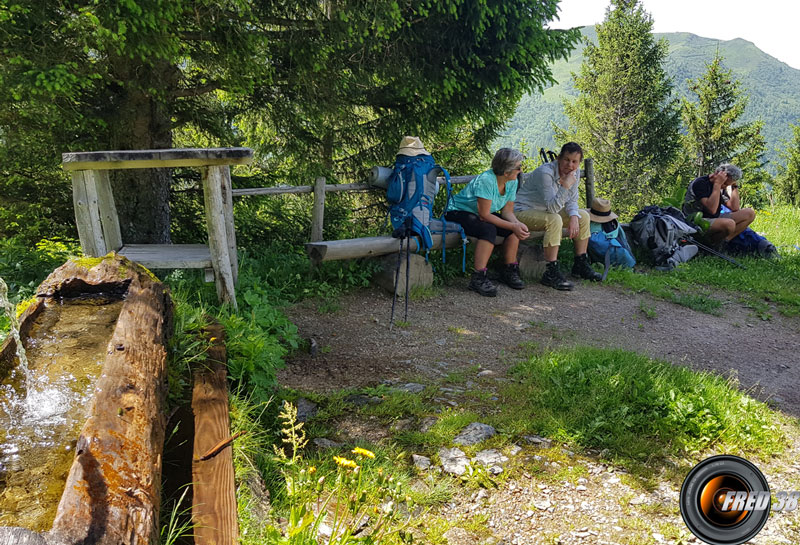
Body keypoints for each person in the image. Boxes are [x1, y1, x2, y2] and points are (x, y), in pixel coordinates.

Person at [514, 142, 601, 291]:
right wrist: (565, 185)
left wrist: (574, 217)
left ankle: (580, 264)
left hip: (545, 212)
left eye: (574, 161)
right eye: (567, 160)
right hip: (523, 211)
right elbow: (552, 208)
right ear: (559, 158)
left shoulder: (574, 172)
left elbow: (572, 200)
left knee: (583, 216)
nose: (570, 165)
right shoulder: (545, 173)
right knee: (555, 219)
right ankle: (551, 271)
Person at [445, 148, 530, 297]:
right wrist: (513, 226)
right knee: (488, 229)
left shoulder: (511, 181)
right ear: (506, 171)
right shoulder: (487, 180)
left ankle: (509, 270)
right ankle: (478, 277)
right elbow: (484, 215)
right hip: (457, 212)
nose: (520, 170)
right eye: (518, 167)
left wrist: (517, 224)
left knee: (512, 231)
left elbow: (507, 212)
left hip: (479, 214)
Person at [682, 163, 756, 245]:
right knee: (729, 224)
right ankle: (708, 244)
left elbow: (734, 208)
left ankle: (723, 243)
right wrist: (717, 184)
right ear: (717, 174)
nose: (724, 187)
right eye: (725, 184)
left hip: (714, 218)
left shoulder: (722, 186)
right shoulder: (700, 183)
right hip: (697, 220)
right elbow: (712, 209)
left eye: (727, 185)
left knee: (749, 213)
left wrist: (734, 186)